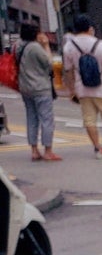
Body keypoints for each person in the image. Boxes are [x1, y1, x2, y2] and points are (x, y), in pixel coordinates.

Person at [63, 13, 102, 157]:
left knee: (89, 119)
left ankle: (98, 149)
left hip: (83, 90)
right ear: (90, 28)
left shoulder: (69, 47)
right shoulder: (101, 45)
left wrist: (72, 90)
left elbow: (68, 71)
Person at [19, 25, 61, 161]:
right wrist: (47, 46)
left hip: (25, 88)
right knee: (46, 119)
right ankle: (48, 151)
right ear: (35, 34)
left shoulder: (17, 46)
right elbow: (49, 63)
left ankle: (34, 150)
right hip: (40, 88)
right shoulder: (35, 47)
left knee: (31, 118)